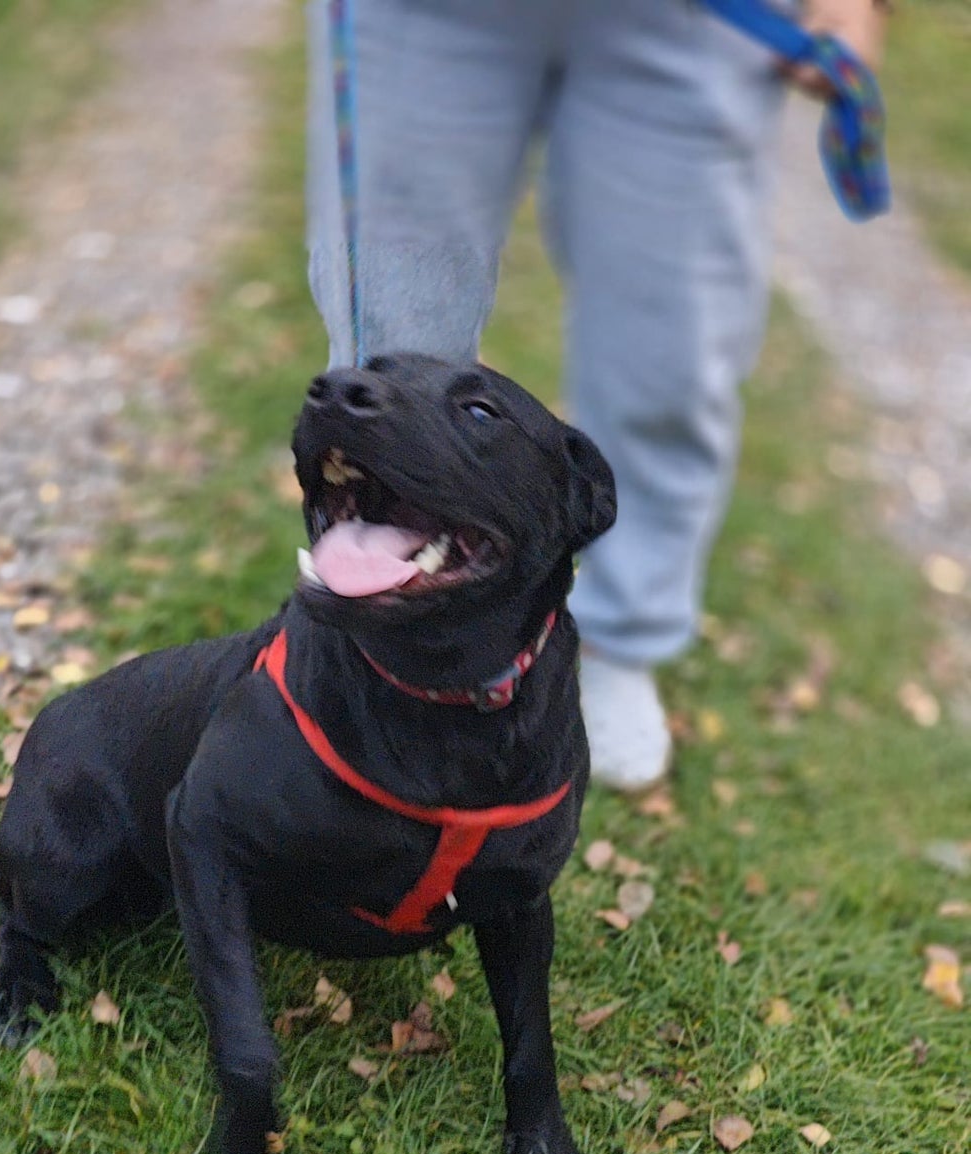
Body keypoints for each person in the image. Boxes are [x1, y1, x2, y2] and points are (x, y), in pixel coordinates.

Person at [305, 0, 888, 790]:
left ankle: (620, 642)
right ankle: (378, 633)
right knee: (388, 372)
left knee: (668, 362)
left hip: (693, 25)